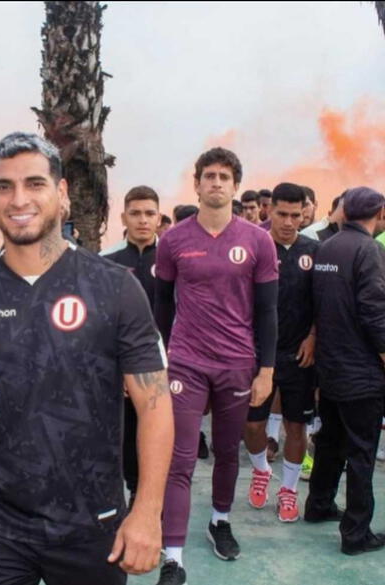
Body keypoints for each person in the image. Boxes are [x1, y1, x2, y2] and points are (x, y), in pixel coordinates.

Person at [0, 132, 174, 585]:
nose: (19, 199)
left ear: (61, 194)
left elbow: (154, 405)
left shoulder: (115, 287)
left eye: (34, 184)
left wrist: (148, 512)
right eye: (4, 186)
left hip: (92, 523)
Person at [155, 147, 278, 585]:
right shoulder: (173, 241)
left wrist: (266, 370)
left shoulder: (257, 240)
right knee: (180, 458)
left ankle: (219, 521)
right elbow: (161, 308)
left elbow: (267, 312)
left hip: (237, 365)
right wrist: (163, 358)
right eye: (209, 175)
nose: (217, 182)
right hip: (185, 364)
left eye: (225, 176)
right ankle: (173, 556)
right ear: (197, 184)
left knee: (228, 452)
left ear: (235, 184)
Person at [305, 187, 385, 555]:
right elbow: (374, 311)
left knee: (330, 442)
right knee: (361, 452)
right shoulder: (369, 250)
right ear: (379, 214)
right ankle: (356, 534)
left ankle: (318, 505)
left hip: (331, 365)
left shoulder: (328, 246)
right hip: (361, 370)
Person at [243, 183, 318, 523]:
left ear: (305, 213)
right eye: (282, 214)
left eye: (295, 215)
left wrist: (313, 336)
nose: (289, 222)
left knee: (296, 426)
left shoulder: (315, 251)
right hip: (258, 356)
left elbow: (324, 303)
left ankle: (288, 490)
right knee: (253, 425)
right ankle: (261, 471)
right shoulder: (253, 246)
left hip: (299, 357)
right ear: (269, 210)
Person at [104, 185, 160, 508]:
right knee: (124, 437)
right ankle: (127, 494)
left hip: (164, 369)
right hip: (121, 372)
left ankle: (148, 499)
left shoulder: (172, 259)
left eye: (149, 213)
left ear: (158, 218)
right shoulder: (107, 262)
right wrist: (120, 370)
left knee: (157, 435)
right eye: (136, 213)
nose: (142, 220)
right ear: (124, 217)